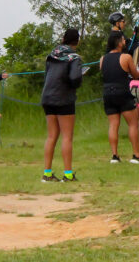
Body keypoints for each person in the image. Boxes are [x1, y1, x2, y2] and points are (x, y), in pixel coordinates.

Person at [40, 27, 85, 183]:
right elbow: (74, 78)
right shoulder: (74, 57)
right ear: (77, 40)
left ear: (64, 38)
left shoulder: (51, 55)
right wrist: (80, 76)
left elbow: (47, 76)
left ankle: (47, 173)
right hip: (64, 98)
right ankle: (67, 174)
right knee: (67, 137)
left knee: (51, 136)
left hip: (47, 97)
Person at [101, 33, 139, 163]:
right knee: (133, 124)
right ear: (119, 42)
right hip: (122, 92)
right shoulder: (126, 57)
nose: (125, 41)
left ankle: (115, 156)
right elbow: (135, 75)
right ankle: (136, 155)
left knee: (113, 125)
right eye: (123, 39)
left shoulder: (103, 58)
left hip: (107, 93)